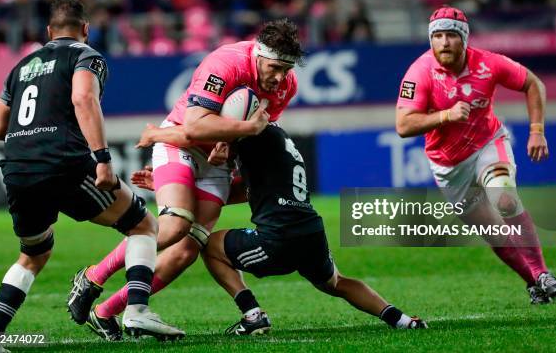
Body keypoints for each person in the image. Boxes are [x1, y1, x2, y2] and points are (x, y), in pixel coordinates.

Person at [68, 19, 304, 340]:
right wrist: (242, 132)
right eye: (275, 67)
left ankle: (106, 311)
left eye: (286, 70)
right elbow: (194, 126)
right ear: (258, 56)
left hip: (217, 165)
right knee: (174, 225)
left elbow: (255, 135)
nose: (280, 78)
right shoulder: (226, 63)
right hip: (180, 144)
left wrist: (229, 145)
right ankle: (93, 278)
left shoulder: (286, 86)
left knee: (186, 251)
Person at [0, 0, 182, 353]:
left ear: (48, 32)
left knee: (34, 253)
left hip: (18, 167)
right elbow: (83, 99)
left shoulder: (22, 66)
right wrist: (102, 158)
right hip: (63, 162)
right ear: (85, 29)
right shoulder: (86, 55)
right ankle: (136, 310)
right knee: (143, 225)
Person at [129, 124, 428, 334]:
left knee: (207, 244)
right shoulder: (276, 142)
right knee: (335, 283)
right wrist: (170, 187)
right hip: (310, 229)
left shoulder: (251, 136)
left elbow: (193, 133)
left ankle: (252, 314)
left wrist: (157, 135)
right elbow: (238, 192)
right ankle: (402, 320)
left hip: (279, 237)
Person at [395, 6, 556, 304]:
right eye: (437, 36)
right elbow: (403, 125)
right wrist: (445, 115)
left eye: (451, 35)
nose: (444, 42)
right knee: (494, 234)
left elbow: (532, 83)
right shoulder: (418, 73)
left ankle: (542, 273)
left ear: (464, 38)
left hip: (488, 144)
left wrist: (537, 129)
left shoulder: (488, 63)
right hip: (448, 166)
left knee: (504, 195)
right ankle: (533, 284)